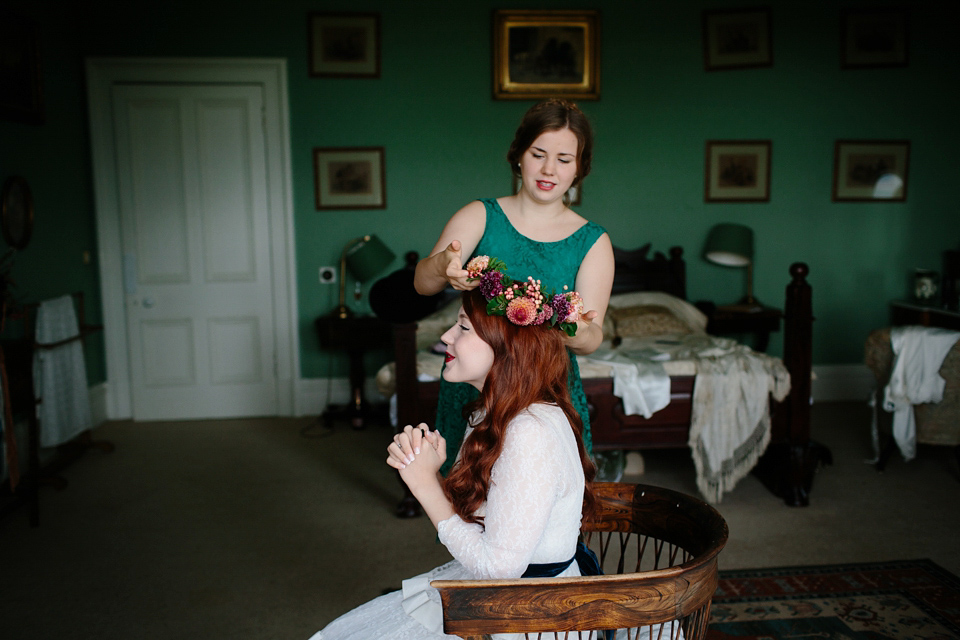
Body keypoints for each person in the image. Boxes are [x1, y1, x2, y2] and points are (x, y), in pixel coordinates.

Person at [310, 264, 598, 640]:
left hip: (526, 619)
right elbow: (494, 515)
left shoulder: (529, 431)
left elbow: (498, 569)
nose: (446, 336)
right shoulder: (493, 411)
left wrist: (426, 485)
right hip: (505, 602)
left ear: (506, 344)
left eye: (462, 327)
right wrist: (432, 469)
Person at [413, 98, 615, 476]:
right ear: (518, 154)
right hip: (474, 383)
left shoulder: (593, 242)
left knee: (546, 504)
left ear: (580, 169)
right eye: (538, 154)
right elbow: (422, 285)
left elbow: (591, 339)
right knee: (465, 500)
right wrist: (442, 265)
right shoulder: (479, 215)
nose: (549, 169)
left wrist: (571, 325)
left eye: (564, 159)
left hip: (546, 389)